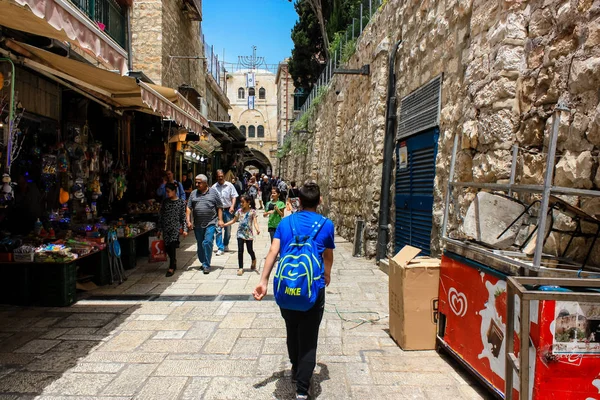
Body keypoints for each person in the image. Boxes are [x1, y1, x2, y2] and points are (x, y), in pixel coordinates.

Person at [253, 181, 335, 400]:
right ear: (320, 201)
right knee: (309, 337)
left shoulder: (285, 223)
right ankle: (301, 389)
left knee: (292, 328)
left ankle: (295, 368)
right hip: (312, 289)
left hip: (286, 288)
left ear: (297, 201)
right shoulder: (326, 225)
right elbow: (328, 256)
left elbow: (273, 251)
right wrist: (326, 273)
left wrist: (263, 280)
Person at [186, 174, 224, 274]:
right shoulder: (193, 193)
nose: (197, 184)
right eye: (196, 182)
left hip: (211, 222)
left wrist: (220, 220)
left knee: (207, 242)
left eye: (199, 182)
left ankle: (206, 264)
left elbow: (219, 206)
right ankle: (203, 261)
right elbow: (189, 207)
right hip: (198, 224)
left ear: (205, 183)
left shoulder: (213, 192)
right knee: (200, 244)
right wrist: (188, 220)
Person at [223, 194, 260, 276]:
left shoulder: (252, 212)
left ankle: (253, 259)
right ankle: (240, 268)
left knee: (250, 250)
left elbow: (255, 222)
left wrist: (257, 229)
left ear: (248, 202)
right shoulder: (239, 211)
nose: (241, 204)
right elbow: (233, 220)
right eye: (241, 202)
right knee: (240, 251)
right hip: (240, 233)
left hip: (248, 234)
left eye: (243, 202)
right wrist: (225, 224)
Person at [157, 182, 188, 277]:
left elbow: (183, 217)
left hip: (175, 228)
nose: (167, 193)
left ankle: (171, 267)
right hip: (166, 228)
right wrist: (159, 229)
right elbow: (161, 216)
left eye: (168, 191)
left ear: (174, 191)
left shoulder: (181, 202)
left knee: (172, 246)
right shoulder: (165, 202)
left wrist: (185, 229)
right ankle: (173, 260)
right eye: (166, 192)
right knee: (166, 247)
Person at [212, 169, 238, 256]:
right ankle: (220, 247)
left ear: (224, 176)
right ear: (216, 177)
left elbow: (234, 196)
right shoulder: (213, 187)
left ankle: (226, 243)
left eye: (221, 176)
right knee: (218, 229)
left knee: (228, 230)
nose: (220, 178)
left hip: (227, 210)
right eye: (218, 177)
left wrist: (232, 206)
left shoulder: (229, 185)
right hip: (217, 211)